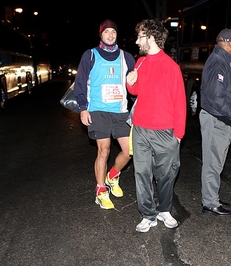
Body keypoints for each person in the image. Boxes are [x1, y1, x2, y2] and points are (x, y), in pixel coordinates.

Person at [126, 19, 187, 233]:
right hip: (141, 129)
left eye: (140, 36)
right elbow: (135, 92)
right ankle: (148, 215)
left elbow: (180, 101)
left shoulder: (171, 67)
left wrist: (178, 134)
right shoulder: (140, 63)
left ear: (151, 38)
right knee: (141, 173)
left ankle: (164, 210)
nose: (136, 41)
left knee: (166, 175)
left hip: (165, 132)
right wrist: (130, 82)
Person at [74, 19, 136, 210]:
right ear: (101, 35)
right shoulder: (90, 55)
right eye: (107, 32)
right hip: (98, 110)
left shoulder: (126, 57)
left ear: (117, 35)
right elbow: (81, 81)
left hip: (120, 111)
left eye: (114, 32)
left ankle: (112, 176)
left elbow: (134, 84)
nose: (110, 35)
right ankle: (101, 190)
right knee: (104, 150)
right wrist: (83, 107)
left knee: (128, 151)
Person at [199, 29, 231, 216]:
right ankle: (210, 203)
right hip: (216, 119)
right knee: (212, 161)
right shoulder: (218, 63)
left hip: (220, 118)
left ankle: (212, 196)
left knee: (217, 161)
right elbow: (216, 95)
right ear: (228, 43)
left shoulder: (223, 61)